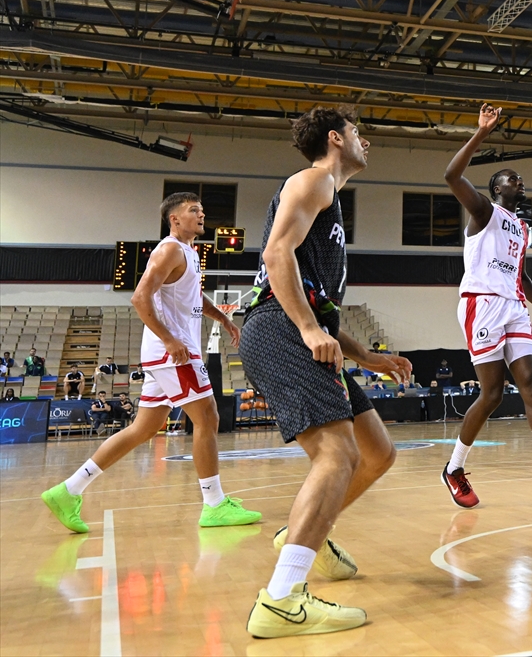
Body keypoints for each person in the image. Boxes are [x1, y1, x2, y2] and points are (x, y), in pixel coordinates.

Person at [238, 106, 413, 638]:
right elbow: (275, 255)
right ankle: (283, 599)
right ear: (336, 139)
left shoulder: (331, 201)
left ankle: (301, 532)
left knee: (378, 451)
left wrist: (367, 356)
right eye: (360, 133)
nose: (368, 142)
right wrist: (310, 331)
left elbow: (318, 302)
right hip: (278, 327)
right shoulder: (315, 180)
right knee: (338, 454)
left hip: (303, 330)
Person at [42, 192, 260, 540]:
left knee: (144, 428)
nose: (201, 214)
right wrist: (171, 340)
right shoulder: (169, 249)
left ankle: (68, 491)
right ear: (174, 219)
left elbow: (191, 298)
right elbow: (140, 297)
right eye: (193, 210)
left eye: (202, 209)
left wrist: (223, 318)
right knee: (208, 417)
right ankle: (215, 505)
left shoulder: (188, 252)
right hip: (173, 352)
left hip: (167, 352)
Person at [440, 103, 532, 514]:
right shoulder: (484, 213)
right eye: (510, 179)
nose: (519, 183)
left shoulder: (522, 229)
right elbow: (451, 176)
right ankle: (454, 468)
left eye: (520, 180)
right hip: (481, 305)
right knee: (491, 394)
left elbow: (520, 276)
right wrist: (482, 132)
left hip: (514, 307)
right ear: (496, 188)